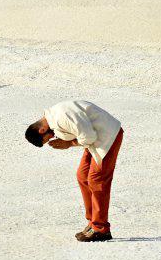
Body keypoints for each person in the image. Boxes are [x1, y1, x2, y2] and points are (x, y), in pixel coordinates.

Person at [25, 100, 123, 242]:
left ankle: (100, 228)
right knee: (82, 176)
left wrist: (69, 144)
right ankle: (92, 222)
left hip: (108, 136)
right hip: (97, 140)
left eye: (48, 138)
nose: (52, 137)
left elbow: (89, 137)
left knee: (97, 180)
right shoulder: (53, 118)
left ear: (41, 130)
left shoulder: (61, 117)